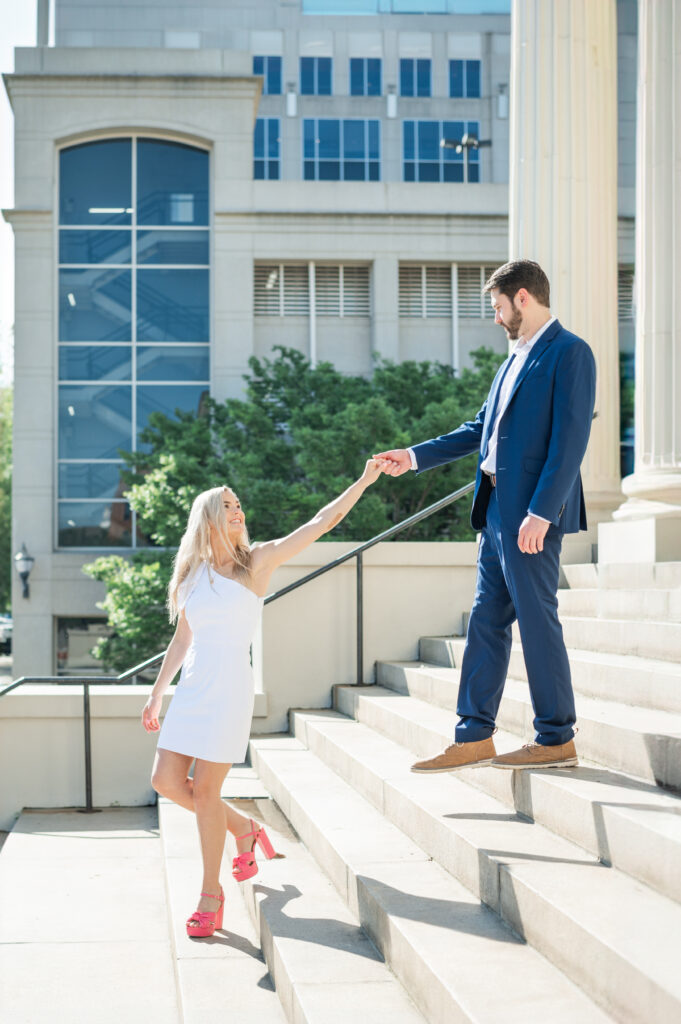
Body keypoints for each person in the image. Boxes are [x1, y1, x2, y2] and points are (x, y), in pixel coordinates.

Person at [141, 458, 385, 937]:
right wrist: (156, 695)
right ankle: (244, 828)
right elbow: (182, 640)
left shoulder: (258, 562)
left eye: (238, 505)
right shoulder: (191, 574)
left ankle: (211, 895)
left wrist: (363, 479)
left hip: (229, 689)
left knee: (206, 792)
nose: (237, 511)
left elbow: (322, 522)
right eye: (226, 506)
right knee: (166, 781)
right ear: (207, 518)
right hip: (192, 691)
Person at [375, 259, 596, 775]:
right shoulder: (511, 361)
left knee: (537, 622)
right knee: (485, 621)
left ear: (523, 298)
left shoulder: (570, 352)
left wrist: (543, 511)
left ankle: (556, 737)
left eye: (498, 307)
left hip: (531, 514)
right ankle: (473, 735)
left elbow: (570, 442)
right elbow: (480, 429)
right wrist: (412, 456)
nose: (496, 318)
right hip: (494, 507)